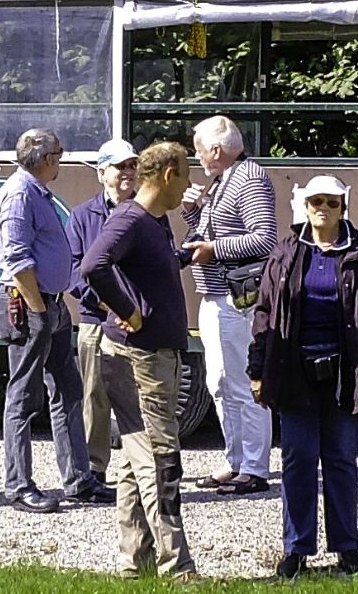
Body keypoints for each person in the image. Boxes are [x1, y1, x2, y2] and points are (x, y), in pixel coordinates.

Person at [247, 175, 358, 579]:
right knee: (297, 461)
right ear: (305, 206)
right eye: (316, 201)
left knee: (342, 461)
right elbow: (264, 314)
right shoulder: (286, 253)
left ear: (342, 208)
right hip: (296, 374)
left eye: (331, 203)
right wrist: (258, 368)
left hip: (344, 376)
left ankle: (347, 549)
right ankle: (296, 549)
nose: (323, 209)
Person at [79, 140, 200, 579]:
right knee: (160, 458)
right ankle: (177, 566)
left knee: (133, 463)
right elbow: (94, 265)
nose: (188, 184)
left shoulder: (155, 221)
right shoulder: (129, 217)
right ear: (168, 175)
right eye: (185, 174)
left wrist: (187, 254)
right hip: (139, 358)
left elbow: (150, 268)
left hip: (152, 354)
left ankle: (135, 563)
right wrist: (128, 310)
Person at [0, 128, 109, 513]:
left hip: (49, 305)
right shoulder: (20, 194)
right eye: (59, 154)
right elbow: (16, 257)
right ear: (45, 160)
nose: (62, 159)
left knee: (68, 390)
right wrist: (39, 309)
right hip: (29, 306)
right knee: (24, 396)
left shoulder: (36, 191)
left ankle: (78, 480)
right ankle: (18, 485)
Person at [183, 115, 278, 496]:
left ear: (217, 151)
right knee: (219, 383)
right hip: (216, 297)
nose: (197, 155)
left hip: (237, 300)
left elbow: (265, 238)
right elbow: (212, 231)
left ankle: (255, 467)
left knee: (242, 383)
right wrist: (193, 213)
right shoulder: (223, 180)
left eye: (199, 149)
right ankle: (234, 460)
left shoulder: (248, 178)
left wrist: (213, 250)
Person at [68, 139, 144, 488]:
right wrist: (108, 304)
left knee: (142, 396)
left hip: (141, 325)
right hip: (97, 322)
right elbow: (70, 270)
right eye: (120, 166)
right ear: (102, 173)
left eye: (132, 165)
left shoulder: (148, 212)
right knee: (94, 396)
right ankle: (94, 469)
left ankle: (140, 468)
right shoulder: (83, 216)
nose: (128, 172)